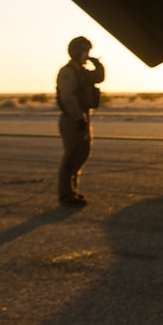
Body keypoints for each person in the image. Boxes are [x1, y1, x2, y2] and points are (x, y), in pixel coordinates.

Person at [56, 36, 105, 207]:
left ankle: (73, 191)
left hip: (83, 117)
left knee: (82, 154)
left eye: (88, 51)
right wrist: (77, 117)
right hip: (72, 119)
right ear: (76, 52)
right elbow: (67, 97)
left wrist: (97, 64)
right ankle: (65, 195)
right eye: (84, 51)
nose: (86, 54)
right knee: (70, 156)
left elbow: (99, 77)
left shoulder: (83, 72)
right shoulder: (68, 72)